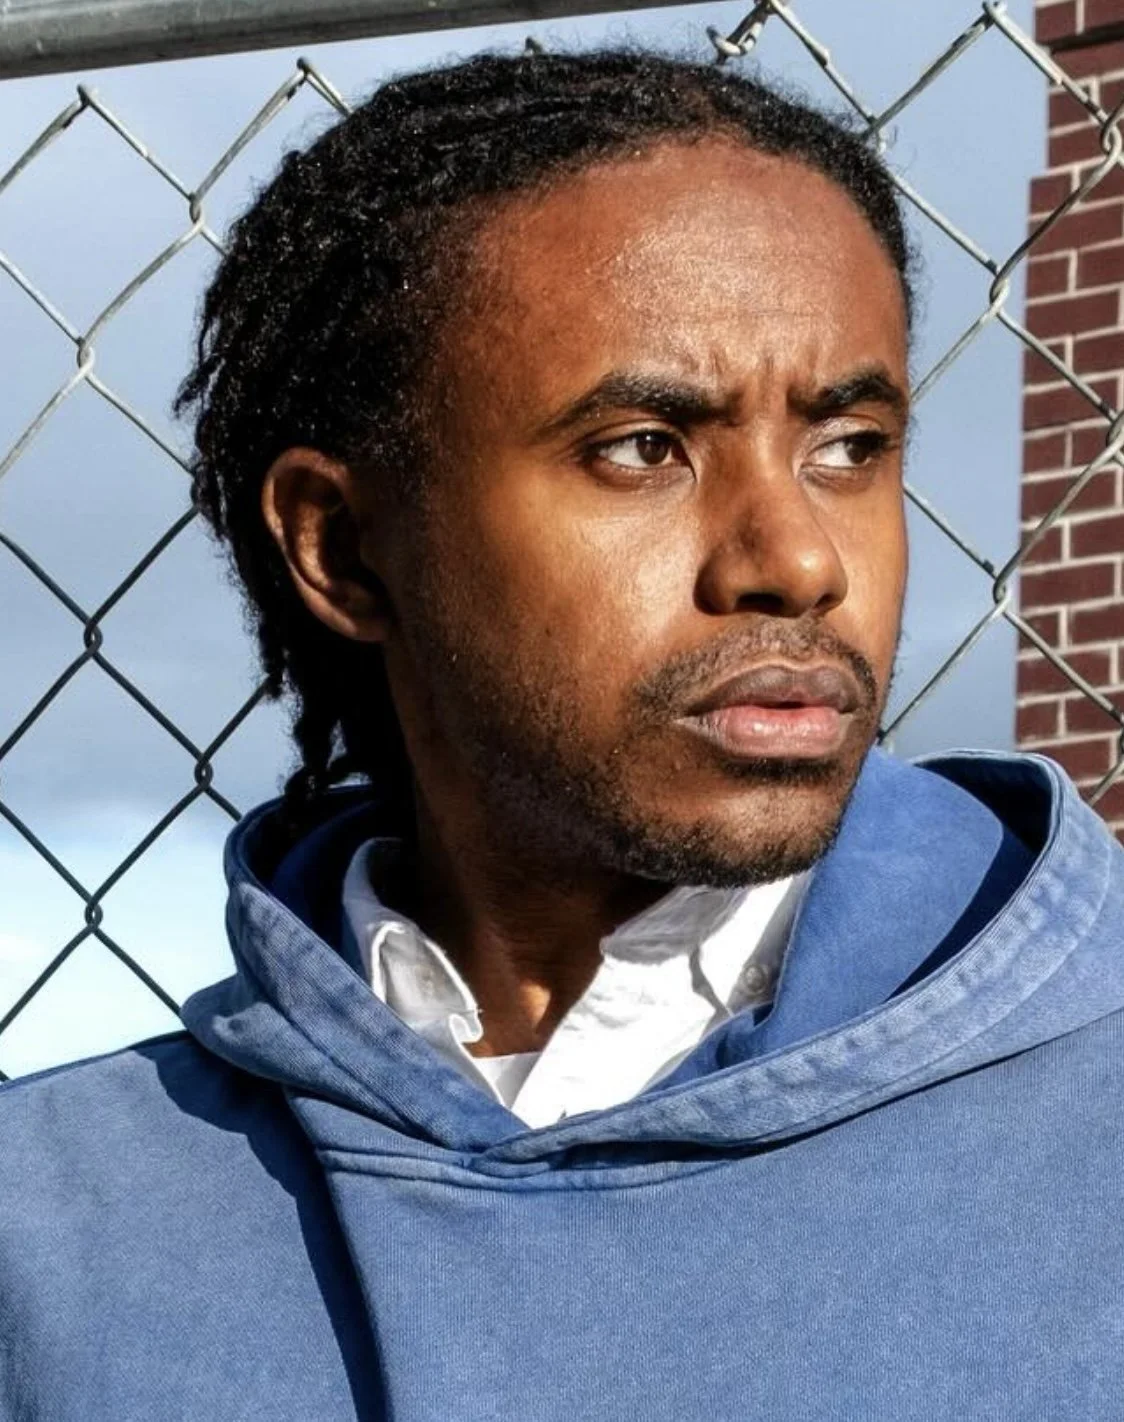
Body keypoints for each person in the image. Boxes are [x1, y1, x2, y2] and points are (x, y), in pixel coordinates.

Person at [1, 46, 1121, 1422]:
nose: (798, 560)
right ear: (345, 547)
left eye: (848, 445)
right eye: (645, 446)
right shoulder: (56, 1234)